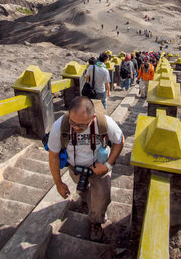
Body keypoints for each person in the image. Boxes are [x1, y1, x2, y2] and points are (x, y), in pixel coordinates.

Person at [48, 96, 124, 241]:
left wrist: (107, 166)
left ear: (93, 118)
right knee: (83, 189)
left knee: (102, 196)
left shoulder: (104, 123)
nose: (76, 128)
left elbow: (120, 141)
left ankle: (96, 221)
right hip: (75, 168)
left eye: (82, 126)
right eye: (73, 123)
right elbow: (53, 155)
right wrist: (58, 183)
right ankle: (85, 200)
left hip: (98, 168)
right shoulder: (60, 126)